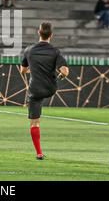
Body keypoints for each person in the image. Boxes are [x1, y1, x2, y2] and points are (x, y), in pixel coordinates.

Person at [21, 22, 69, 160]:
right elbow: (65, 71)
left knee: (35, 123)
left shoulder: (29, 50)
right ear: (51, 35)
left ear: (38, 32)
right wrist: (60, 75)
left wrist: (32, 69)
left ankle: (39, 153)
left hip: (35, 89)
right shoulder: (55, 51)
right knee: (46, 93)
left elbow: (23, 70)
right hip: (50, 88)